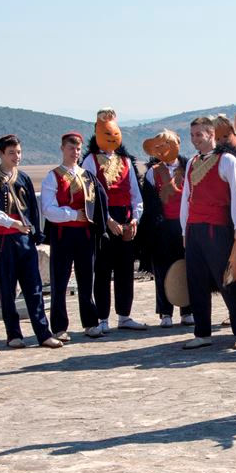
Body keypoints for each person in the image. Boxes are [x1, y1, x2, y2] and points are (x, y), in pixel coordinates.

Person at [179, 116, 236, 350]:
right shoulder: (192, 163)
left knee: (228, 279)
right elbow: (186, 198)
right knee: (196, 281)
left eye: (199, 134)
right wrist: (184, 230)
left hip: (217, 228)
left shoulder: (227, 160)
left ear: (211, 134)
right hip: (194, 229)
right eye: (192, 135)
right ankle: (202, 333)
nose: (195, 139)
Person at [0, 135, 62, 349]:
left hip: (24, 238)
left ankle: (43, 333)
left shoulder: (24, 178)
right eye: (11, 153)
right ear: (1, 153)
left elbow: (32, 208)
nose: (16, 156)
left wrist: (35, 233)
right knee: (7, 289)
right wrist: (13, 223)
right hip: (4, 239)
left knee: (34, 287)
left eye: (18, 152)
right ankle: (13, 334)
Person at [82, 108, 146, 333]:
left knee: (125, 270)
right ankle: (102, 318)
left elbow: (135, 193)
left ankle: (124, 315)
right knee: (102, 270)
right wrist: (107, 219)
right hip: (103, 222)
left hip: (126, 219)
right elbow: (90, 195)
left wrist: (135, 219)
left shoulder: (126, 161)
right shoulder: (90, 161)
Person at [41, 132, 108, 340]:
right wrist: (72, 214)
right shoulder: (53, 176)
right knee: (60, 281)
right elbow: (48, 209)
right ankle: (59, 327)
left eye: (78, 149)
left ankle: (90, 322)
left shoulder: (87, 176)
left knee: (86, 280)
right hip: (63, 234)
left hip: (85, 235)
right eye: (71, 148)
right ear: (62, 149)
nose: (75, 152)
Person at [140, 130, 193, 327]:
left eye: (168, 144)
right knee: (162, 270)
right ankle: (165, 312)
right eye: (160, 146)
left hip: (186, 225)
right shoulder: (152, 173)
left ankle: (188, 310)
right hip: (162, 228)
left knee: (187, 267)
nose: (164, 149)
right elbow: (149, 203)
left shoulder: (189, 168)